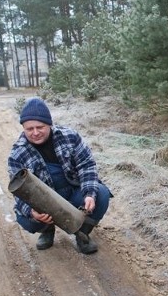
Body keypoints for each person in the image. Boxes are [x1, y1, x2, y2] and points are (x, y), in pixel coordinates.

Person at [8, 98, 111, 254]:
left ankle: (82, 232)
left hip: (72, 192)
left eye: (40, 127)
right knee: (26, 219)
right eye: (29, 129)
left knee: (101, 194)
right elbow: (19, 193)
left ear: (49, 124)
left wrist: (90, 194)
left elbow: (87, 165)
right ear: (23, 128)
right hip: (44, 202)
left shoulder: (70, 136)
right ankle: (47, 229)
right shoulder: (17, 154)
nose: (35, 133)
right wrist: (32, 212)